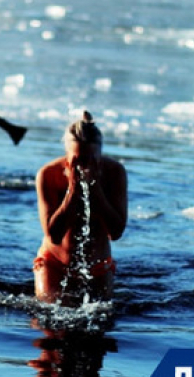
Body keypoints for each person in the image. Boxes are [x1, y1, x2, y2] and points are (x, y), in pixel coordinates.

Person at [34, 111, 128, 305]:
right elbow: (54, 234)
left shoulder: (114, 173)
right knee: (50, 322)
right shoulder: (48, 174)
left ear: (100, 156)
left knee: (102, 322)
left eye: (91, 159)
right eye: (78, 160)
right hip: (55, 263)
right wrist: (74, 189)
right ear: (67, 157)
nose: (85, 166)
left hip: (98, 266)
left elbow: (116, 232)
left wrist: (96, 190)